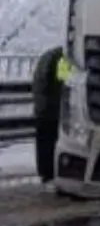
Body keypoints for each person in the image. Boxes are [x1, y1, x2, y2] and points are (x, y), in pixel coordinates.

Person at [31, 45, 68, 182]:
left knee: (42, 141)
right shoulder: (63, 58)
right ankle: (51, 172)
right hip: (52, 107)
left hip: (41, 106)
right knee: (52, 140)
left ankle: (44, 171)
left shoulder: (48, 55)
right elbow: (63, 82)